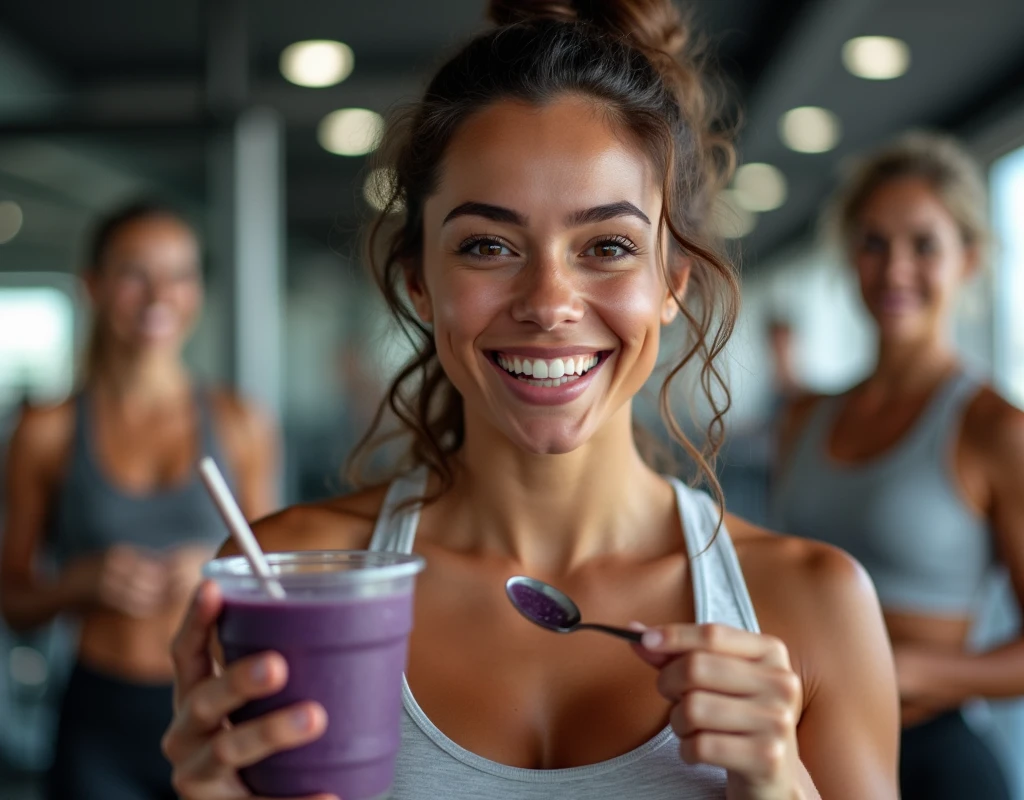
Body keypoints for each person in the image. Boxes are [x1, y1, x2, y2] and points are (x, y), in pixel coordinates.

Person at [162, 2, 899, 798]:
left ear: (672, 285)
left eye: (608, 247)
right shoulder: (285, 580)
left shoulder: (816, 607)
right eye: (487, 245)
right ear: (420, 283)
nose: (550, 302)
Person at [772, 132, 1024, 800]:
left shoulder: (995, 429)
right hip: (805, 756)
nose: (894, 269)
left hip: (935, 763)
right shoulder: (804, 418)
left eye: (924, 244)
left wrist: (901, 670)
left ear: (968, 259)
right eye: (873, 242)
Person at [0, 202, 278, 799]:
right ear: (93, 286)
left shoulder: (240, 423)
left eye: (179, 274)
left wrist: (215, 572)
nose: (160, 296)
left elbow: (275, 585)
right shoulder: (45, 431)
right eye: (134, 273)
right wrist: (78, 583)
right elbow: (13, 602)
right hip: (99, 711)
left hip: (218, 710)